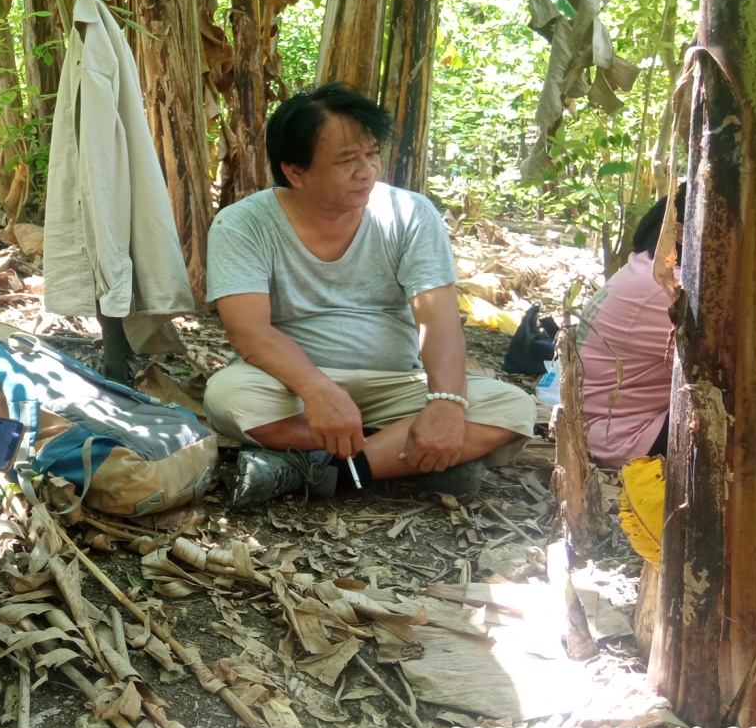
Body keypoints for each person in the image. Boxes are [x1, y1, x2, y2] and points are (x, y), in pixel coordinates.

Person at [203, 83, 536, 508]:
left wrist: (446, 404)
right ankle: (402, 454)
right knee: (229, 397)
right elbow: (248, 331)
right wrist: (318, 390)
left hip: (397, 383)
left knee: (510, 406)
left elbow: (437, 319)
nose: (367, 171)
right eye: (346, 160)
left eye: (372, 154)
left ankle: (320, 472)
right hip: (293, 387)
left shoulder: (410, 213)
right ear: (295, 171)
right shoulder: (243, 224)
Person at [577, 185, 685, 468]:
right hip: (626, 437)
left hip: (602, 426)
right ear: (683, 231)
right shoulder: (666, 289)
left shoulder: (643, 267)